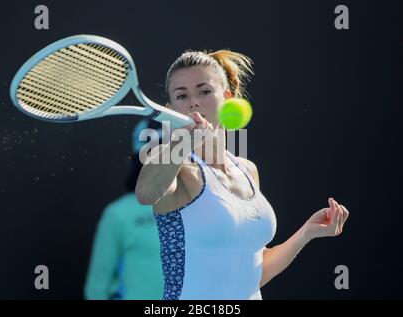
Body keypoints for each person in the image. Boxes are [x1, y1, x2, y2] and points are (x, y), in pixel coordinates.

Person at [135, 49, 350, 300]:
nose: (193, 101)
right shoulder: (176, 165)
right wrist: (181, 143)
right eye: (182, 96)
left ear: (227, 98)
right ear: (170, 110)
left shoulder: (247, 170)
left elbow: (252, 273)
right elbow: (146, 194)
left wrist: (306, 233)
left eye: (204, 91)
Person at [84, 120, 164, 300]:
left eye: (169, 152)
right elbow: (97, 285)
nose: (163, 162)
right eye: (152, 153)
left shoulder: (204, 207)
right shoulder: (118, 213)